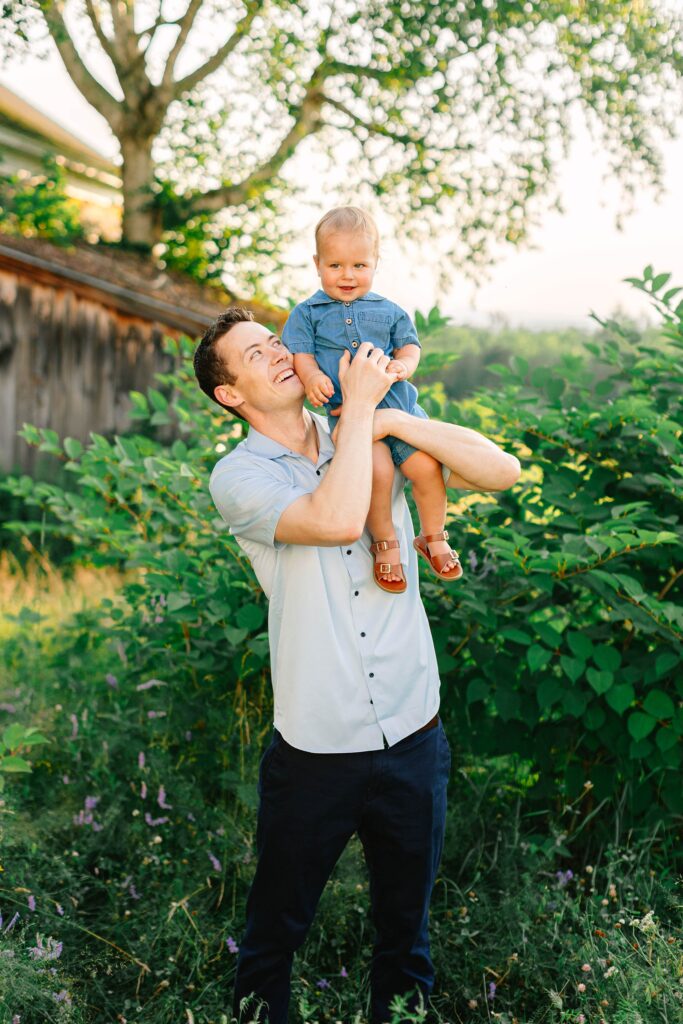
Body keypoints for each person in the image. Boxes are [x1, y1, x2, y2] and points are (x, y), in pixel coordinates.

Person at [193, 307, 520, 1024]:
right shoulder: (239, 476)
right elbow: (335, 520)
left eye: (276, 340)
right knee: (275, 929)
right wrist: (365, 412)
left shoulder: (367, 424)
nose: (279, 352)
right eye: (255, 354)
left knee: (406, 932)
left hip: (412, 724)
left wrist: (391, 420)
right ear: (229, 394)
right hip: (318, 743)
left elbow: (502, 471)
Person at [282, 206, 462, 595]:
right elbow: (301, 353)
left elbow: (410, 347)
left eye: (359, 265)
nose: (347, 275)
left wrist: (403, 367)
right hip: (355, 422)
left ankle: (433, 535)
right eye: (336, 265)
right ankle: (386, 544)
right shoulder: (306, 314)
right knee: (378, 475)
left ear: (376, 263)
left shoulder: (390, 311)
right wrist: (312, 376)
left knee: (427, 469)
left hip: (401, 412)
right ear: (317, 264)